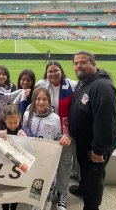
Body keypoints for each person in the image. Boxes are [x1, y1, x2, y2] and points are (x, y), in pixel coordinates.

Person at [68, 51, 116, 210]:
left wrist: (98, 150)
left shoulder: (102, 87)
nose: (78, 66)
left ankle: (92, 205)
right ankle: (83, 189)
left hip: (95, 145)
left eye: (83, 62)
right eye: (76, 63)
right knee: (84, 169)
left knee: (94, 176)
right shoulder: (84, 82)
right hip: (84, 141)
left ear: (93, 64)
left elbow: (106, 121)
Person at [35, 60, 77, 210]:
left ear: (61, 71)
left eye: (56, 70)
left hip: (66, 133)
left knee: (65, 164)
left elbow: (77, 110)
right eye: (50, 71)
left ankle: (62, 194)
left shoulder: (72, 85)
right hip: (46, 132)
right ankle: (47, 191)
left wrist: (70, 133)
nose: (53, 74)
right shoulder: (41, 85)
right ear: (46, 73)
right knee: (45, 162)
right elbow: (34, 103)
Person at [22, 87, 72, 210]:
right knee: (34, 182)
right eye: (38, 99)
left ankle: (47, 201)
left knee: (48, 183)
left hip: (48, 159)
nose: (41, 102)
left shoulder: (55, 118)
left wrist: (64, 139)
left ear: (49, 101)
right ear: (33, 100)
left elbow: (57, 138)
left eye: (44, 99)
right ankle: (35, 203)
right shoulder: (27, 115)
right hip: (32, 157)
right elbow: (24, 134)